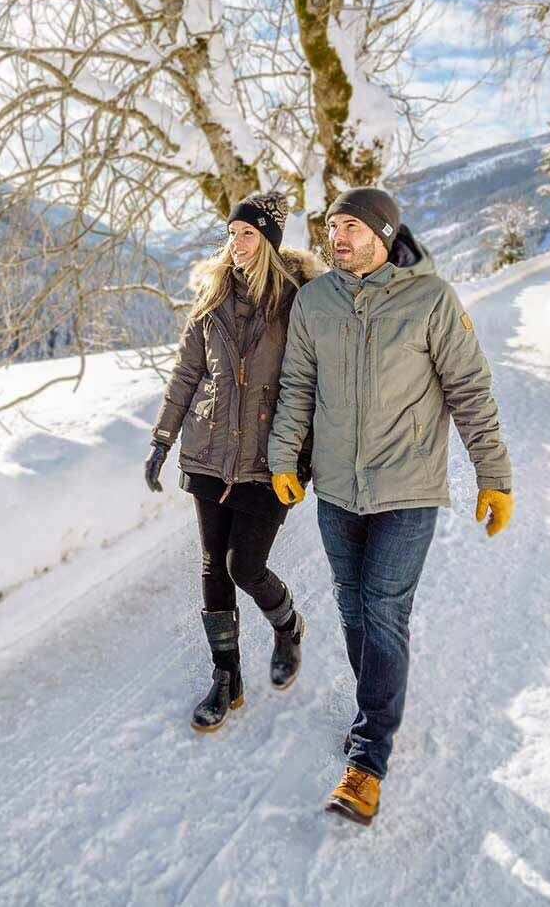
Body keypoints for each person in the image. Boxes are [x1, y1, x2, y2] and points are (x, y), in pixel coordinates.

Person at [264, 186, 514, 827]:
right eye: (331, 228)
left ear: (382, 233)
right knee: (352, 608)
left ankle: (368, 760)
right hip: (337, 492)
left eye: (350, 227)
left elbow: (470, 390)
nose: (336, 238)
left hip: (408, 489)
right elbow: (297, 383)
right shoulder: (316, 301)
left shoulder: (430, 299)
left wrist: (494, 476)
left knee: (382, 609)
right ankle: (375, 707)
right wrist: (284, 458)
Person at [144, 191, 326, 733]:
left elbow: (315, 385)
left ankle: (287, 624)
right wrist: (162, 439)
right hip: (208, 453)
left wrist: (310, 456)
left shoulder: (299, 301)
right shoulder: (213, 295)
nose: (236, 243)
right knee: (211, 569)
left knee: (243, 565)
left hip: (273, 459)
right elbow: (185, 374)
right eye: (231, 233)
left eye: (247, 233)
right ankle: (227, 677)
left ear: (269, 240)